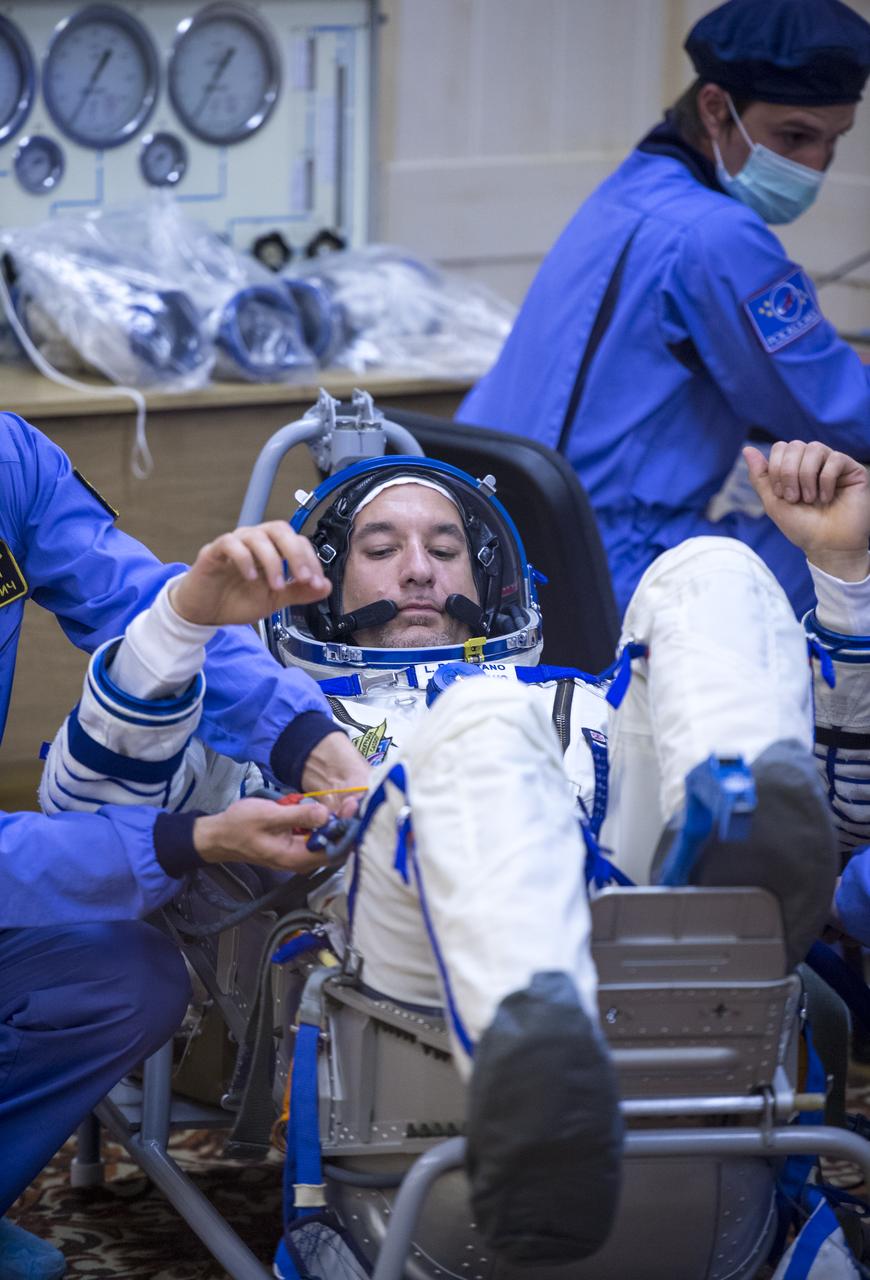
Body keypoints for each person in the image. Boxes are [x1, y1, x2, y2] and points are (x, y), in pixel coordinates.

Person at [44, 450, 854, 1272]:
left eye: (443, 546)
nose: (421, 569)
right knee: (485, 721)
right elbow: (87, 817)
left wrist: (846, 573)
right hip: (401, 1001)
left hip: (655, 961)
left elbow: (847, 821)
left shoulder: (576, 704)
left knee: (711, 565)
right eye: (381, 548)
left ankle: (730, 867)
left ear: (488, 572)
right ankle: (537, 1053)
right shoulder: (256, 729)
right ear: (326, 579)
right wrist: (179, 626)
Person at [0, 410, 367, 1280]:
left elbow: (141, 605)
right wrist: (184, 840)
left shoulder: (10, 459)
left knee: (123, 978)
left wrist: (303, 737)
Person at [458, 0, 870, 619]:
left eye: (833, 142)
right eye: (794, 136)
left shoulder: (632, 188)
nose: (815, 164)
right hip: (620, 568)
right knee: (851, 530)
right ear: (714, 108)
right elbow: (842, 418)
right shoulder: (717, 236)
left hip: (500, 557)